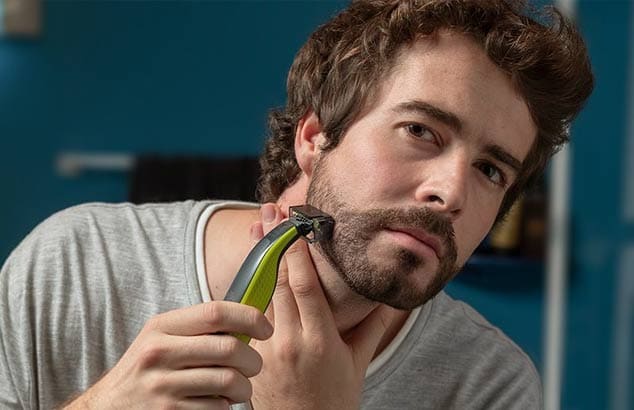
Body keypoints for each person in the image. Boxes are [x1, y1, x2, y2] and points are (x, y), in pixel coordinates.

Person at [0, 0, 593, 408]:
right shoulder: (74, 265)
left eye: (491, 170)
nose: (452, 192)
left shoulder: (489, 386)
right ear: (314, 137)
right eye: (420, 131)